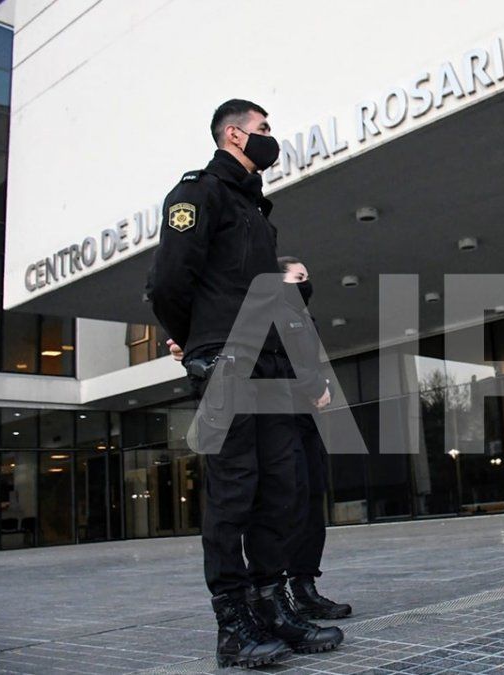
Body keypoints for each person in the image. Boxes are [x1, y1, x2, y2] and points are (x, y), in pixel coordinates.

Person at [147, 99, 342, 668]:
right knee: (235, 493)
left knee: (279, 490)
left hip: (271, 364)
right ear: (234, 135)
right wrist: (199, 344)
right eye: (263, 129)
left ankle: (272, 604)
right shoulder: (197, 194)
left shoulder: (256, 211)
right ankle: (233, 625)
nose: (270, 137)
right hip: (228, 362)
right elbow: (167, 282)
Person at [276, 257, 352, 620]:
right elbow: (278, 361)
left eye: (308, 276)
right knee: (288, 502)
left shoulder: (305, 318)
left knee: (312, 499)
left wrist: (323, 390)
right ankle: (276, 593)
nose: (307, 283)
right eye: (299, 277)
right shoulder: (271, 311)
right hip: (278, 419)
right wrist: (312, 385)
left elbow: (312, 365)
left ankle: (305, 588)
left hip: (306, 420)